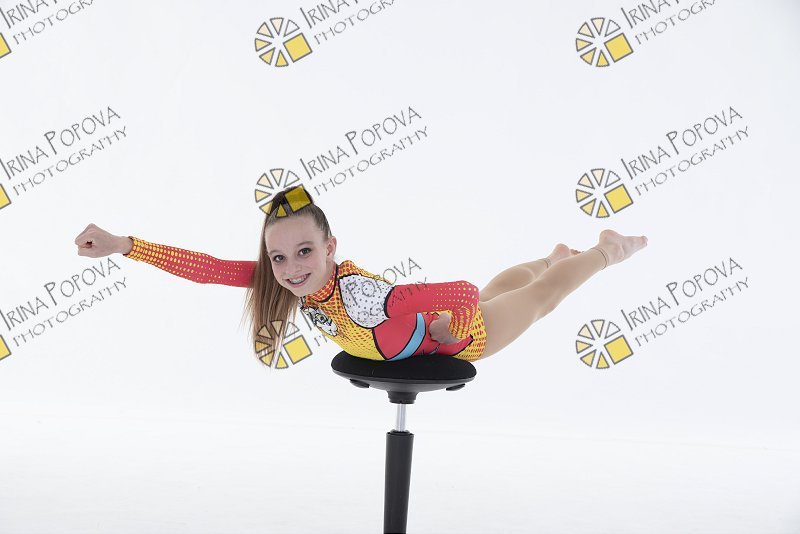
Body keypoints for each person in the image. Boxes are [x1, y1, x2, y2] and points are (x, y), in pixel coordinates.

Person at [74, 184, 648, 367]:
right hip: (425, 330)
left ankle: (607, 251)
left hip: (465, 337)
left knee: (540, 299)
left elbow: (461, 294)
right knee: (504, 288)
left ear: (331, 248)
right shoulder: (291, 281)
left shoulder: (367, 298)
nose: (290, 270)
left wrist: (451, 329)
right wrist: (126, 245)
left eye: (305, 252)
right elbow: (211, 270)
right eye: (279, 258)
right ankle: (554, 255)